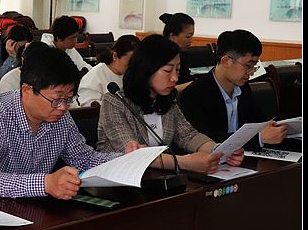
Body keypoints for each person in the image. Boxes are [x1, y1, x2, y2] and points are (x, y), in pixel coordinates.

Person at [0, 42, 122, 199]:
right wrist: (45, 183)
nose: (63, 107)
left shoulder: (61, 117)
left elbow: (84, 159)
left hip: (34, 205)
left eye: (69, 98)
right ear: (27, 90)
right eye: (57, 99)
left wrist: (128, 160)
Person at [97, 34, 244, 174]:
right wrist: (185, 162)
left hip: (159, 177)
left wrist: (218, 150)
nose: (174, 78)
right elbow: (132, 152)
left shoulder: (166, 99)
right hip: (119, 178)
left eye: (177, 70)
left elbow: (188, 135)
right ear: (146, 69)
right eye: (167, 70)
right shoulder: (115, 101)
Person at [179, 29, 287, 150]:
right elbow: (203, 139)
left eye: (254, 66)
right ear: (226, 61)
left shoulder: (243, 88)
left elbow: (257, 120)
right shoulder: (195, 93)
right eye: (248, 66)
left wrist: (271, 127)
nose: (251, 72)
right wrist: (258, 138)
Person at [77, 35, 139, 107]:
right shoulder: (94, 77)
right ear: (115, 56)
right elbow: (89, 108)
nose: (133, 67)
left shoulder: (136, 73)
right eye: (129, 62)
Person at [160, 12, 195, 85]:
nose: (191, 40)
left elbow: (185, 78)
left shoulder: (183, 55)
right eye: (188, 37)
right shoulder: (159, 57)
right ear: (172, 36)